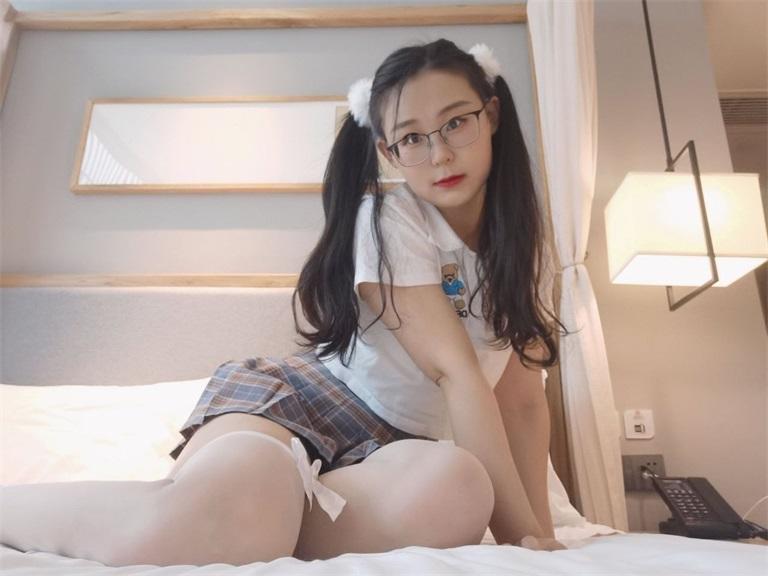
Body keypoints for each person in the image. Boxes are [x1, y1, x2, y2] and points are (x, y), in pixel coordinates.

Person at [0, 38, 567, 566]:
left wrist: (541, 540)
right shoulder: (389, 220)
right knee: (253, 480)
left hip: (395, 453)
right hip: (303, 405)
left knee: (459, 485)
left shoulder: (527, 247)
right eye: (412, 138)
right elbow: (456, 372)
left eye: (456, 123)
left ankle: (264, 524)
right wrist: (520, 539)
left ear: (492, 115)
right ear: (388, 152)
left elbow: (520, 401)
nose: (439, 153)